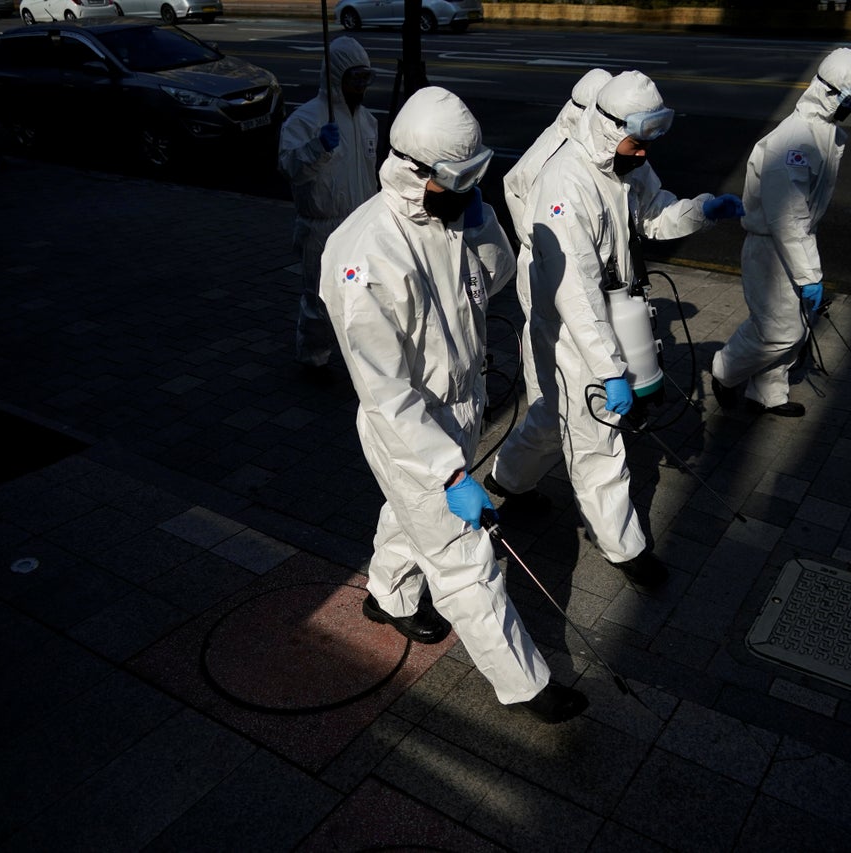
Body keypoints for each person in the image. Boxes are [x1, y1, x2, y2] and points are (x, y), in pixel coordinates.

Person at [319, 86, 588, 724]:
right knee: (466, 560)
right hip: (410, 432)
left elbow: (490, 280)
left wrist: (483, 221)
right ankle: (527, 685)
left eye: (477, 177)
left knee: (407, 517)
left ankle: (388, 595)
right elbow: (386, 393)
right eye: (458, 180)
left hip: (462, 405)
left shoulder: (453, 215)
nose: (471, 190)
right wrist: (448, 472)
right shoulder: (363, 256)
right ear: (414, 171)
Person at [487, 70, 745, 588]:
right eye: (636, 143)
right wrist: (610, 370)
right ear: (607, 129)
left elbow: (652, 216)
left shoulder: (622, 162)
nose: (643, 155)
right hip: (567, 321)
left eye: (648, 144)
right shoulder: (566, 182)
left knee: (551, 411)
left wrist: (700, 210)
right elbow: (575, 293)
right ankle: (623, 546)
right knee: (597, 436)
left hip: (604, 307)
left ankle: (508, 480)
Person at [711, 48, 851, 418]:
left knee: (793, 323)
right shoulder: (793, 142)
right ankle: (725, 369)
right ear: (829, 93)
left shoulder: (822, 130)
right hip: (771, 250)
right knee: (779, 331)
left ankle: (766, 394)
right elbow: (788, 217)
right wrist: (810, 275)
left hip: (791, 246)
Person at [487, 68, 612, 517]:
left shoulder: (594, 149)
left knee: (562, 394)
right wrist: (537, 241)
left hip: (575, 273)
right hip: (545, 273)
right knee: (558, 391)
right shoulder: (555, 148)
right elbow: (513, 189)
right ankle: (518, 474)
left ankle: (513, 475)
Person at [277, 36, 378, 378]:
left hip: (361, 225)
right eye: (355, 78)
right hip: (322, 227)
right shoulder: (305, 121)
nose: (361, 86)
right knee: (319, 299)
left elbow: (368, 174)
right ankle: (314, 357)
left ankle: (361, 359)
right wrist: (316, 147)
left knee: (363, 296)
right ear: (337, 77)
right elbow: (288, 165)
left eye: (366, 78)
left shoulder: (367, 122)